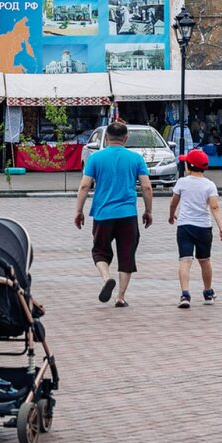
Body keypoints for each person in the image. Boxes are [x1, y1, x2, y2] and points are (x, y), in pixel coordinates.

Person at [74, 121, 153, 308]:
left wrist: (79, 210)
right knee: (127, 255)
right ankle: (120, 297)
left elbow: (85, 185)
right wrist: (148, 211)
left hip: (103, 213)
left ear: (107, 137)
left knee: (100, 250)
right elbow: (147, 187)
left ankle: (106, 278)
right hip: (128, 214)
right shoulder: (136, 159)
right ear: (126, 138)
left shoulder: (95, 158)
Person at [168, 149, 222, 309]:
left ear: (189, 166)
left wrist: (171, 215)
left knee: (185, 260)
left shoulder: (182, 182)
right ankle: (208, 292)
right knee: (205, 260)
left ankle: (185, 294)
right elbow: (214, 207)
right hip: (204, 227)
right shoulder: (210, 185)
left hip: (185, 226)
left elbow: (174, 202)